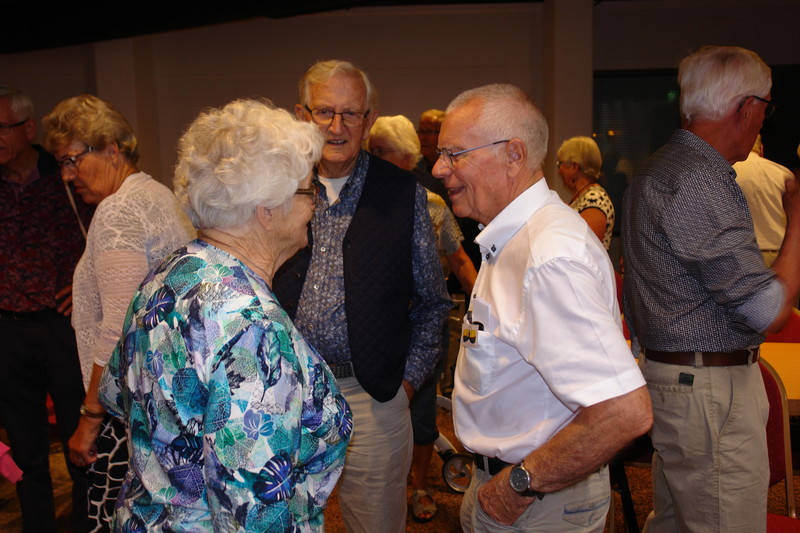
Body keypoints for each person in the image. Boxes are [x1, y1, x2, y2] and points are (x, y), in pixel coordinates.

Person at [98, 98, 352, 532]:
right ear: (267, 211)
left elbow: (114, 392)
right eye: (309, 192)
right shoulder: (253, 325)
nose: (315, 206)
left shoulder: (168, 275)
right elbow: (253, 511)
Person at [433, 83, 652, 532]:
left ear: (514, 154)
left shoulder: (548, 255)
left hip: (534, 503)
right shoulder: (515, 240)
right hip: (513, 490)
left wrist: (516, 487)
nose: (439, 168)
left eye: (454, 154)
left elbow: (623, 411)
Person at [623, 45, 800, 533]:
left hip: (678, 378)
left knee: (677, 521)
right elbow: (768, 311)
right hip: (709, 390)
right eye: (765, 108)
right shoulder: (700, 179)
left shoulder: (659, 167)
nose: (763, 121)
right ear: (745, 108)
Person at [273, 60, 451, 533]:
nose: (337, 126)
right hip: (284, 396)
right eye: (324, 111)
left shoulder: (402, 195)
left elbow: (433, 302)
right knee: (277, 520)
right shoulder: (274, 190)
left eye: (351, 113)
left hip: (371, 397)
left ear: (369, 120)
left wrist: (406, 386)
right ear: (302, 115)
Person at [42, 94, 196, 532]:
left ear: (112, 149)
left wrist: (90, 418)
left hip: (125, 410)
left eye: (72, 160)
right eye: (61, 164)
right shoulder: (156, 193)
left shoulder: (118, 210)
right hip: (162, 397)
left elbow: (117, 327)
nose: (67, 175)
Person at [368, 114, 478, 523]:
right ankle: (386, 487)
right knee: (377, 410)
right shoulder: (362, 207)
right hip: (378, 328)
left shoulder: (432, 206)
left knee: (423, 410)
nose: (372, 158)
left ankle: (419, 486)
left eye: (381, 151)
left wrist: (488, 306)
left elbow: (459, 260)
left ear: (406, 157)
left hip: (424, 326)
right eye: (371, 151)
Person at [0, 86, 92, 533]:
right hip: (8, 331)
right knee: (26, 452)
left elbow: (103, 236)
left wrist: (86, 285)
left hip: (62, 328)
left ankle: (85, 525)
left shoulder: (65, 175)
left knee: (80, 443)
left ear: (28, 128)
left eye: (2, 127)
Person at [734, 135, 792, 267]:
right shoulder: (784, 175)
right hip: (781, 255)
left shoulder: (723, 176)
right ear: (762, 149)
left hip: (741, 255)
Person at [556, 136, 615, 250]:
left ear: (574, 167)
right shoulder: (583, 195)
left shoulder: (595, 198)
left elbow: (586, 247)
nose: (559, 171)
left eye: (561, 164)